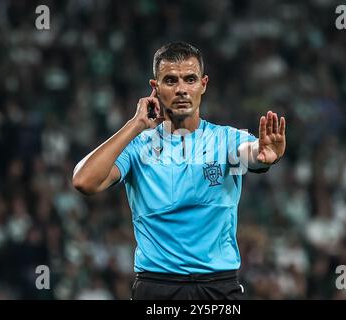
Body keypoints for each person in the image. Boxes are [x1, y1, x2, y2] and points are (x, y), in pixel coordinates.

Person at [72, 42, 286, 300]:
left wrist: (264, 157)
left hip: (218, 287)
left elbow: (250, 154)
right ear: (155, 87)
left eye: (190, 79)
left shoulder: (226, 140)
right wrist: (135, 124)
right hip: (157, 287)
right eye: (171, 80)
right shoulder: (138, 146)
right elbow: (84, 181)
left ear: (203, 84)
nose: (182, 89)